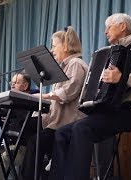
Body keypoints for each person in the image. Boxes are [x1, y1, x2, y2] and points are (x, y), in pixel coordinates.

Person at [48, 13, 131, 180]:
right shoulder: (110, 53)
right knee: (62, 132)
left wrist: (123, 78)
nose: (105, 31)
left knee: (81, 128)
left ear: (123, 26)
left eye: (109, 27)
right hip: (112, 110)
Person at [21, 26, 88, 180]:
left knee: (35, 142)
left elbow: (68, 92)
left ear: (65, 45)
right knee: (27, 132)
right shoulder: (65, 67)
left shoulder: (76, 64)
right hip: (57, 123)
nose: (52, 50)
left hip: (68, 124)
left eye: (54, 45)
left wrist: (45, 95)